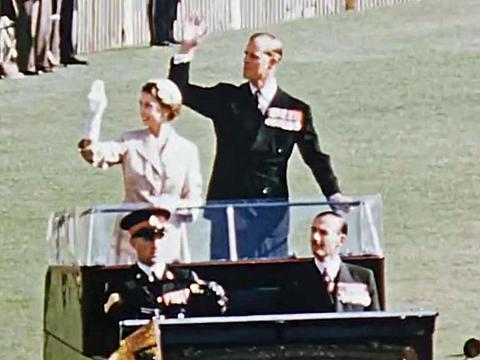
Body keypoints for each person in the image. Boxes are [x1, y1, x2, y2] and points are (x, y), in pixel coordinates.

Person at [168, 18, 351, 260]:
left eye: (253, 56)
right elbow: (177, 93)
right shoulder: (228, 99)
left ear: (273, 60)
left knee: (270, 279)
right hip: (229, 209)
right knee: (227, 280)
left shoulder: (295, 109)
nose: (246, 61)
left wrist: (333, 194)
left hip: (270, 213)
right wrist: (186, 49)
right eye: (246, 54)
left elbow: (314, 157)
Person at [78, 78, 202, 264]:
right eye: (141, 104)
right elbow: (94, 155)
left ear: (166, 109)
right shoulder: (130, 142)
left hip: (168, 238)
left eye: (148, 105)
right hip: (132, 237)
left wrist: (170, 205)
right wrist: (94, 118)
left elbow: (194, 201)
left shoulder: (187, 150)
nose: (142, 111)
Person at [104, 207, 227, 359]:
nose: (155, 244)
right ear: (133, 242)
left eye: (160, 235)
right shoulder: (122, 284)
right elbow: (111, 328)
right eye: (148, 237)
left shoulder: (184, 278)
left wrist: (191, 292)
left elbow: (219, 303)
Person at [289, 211, 380, 313]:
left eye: (323, 233)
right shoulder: (295, 280)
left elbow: (376, 323)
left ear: (341, 240)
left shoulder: (362, 277)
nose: (315, 238)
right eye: (313, 231)